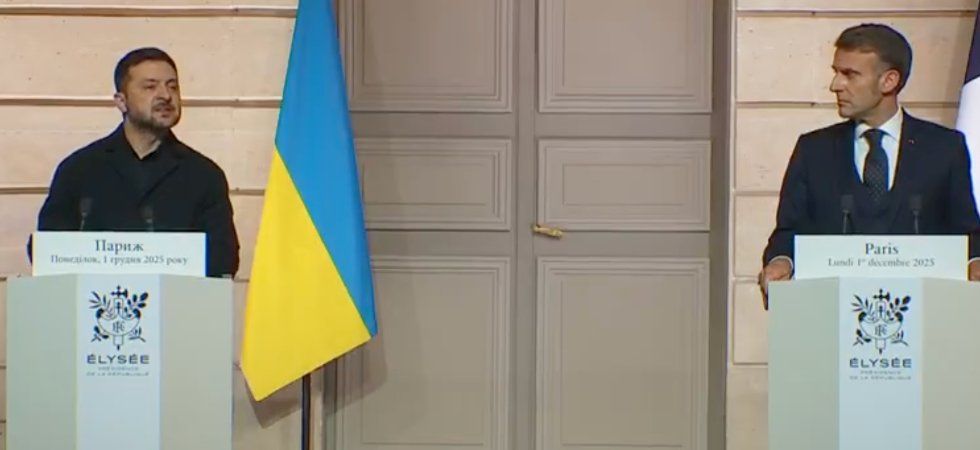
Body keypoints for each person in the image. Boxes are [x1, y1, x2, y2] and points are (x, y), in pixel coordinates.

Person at [758, 23, 980, 304]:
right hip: (832, 311)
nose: (835, 85)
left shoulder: (945, 148)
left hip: (926, 311)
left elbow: (967, 232)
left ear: (889, 81)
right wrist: (781, 261)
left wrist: (975, 262)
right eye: (836, 72)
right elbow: (788, 232)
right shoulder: (813, 150)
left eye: (850, 74)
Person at [34, 47, 240, 277]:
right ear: (121, 101)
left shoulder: (204, 175)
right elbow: (47, 251)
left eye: (172, 86)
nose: (166, 95)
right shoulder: (79, 169)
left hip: (177, 298)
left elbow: (223, 259)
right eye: (150, 87)